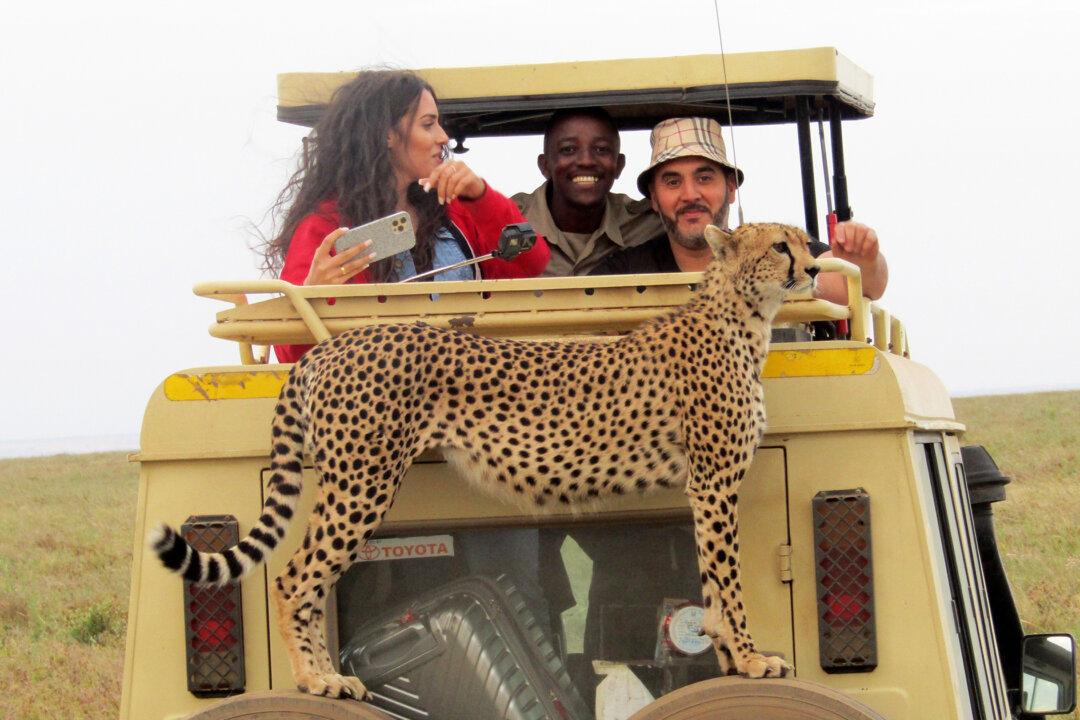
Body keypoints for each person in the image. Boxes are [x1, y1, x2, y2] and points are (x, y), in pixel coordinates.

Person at [263, 70, 550, 363]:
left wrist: (480, 195)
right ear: (387, 135)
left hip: (467, 393)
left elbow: (532, 261)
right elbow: (290, 355)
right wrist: (314, 296)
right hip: (381, 401)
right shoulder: (327, 226)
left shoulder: (456, 209)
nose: (443, 137)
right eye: (428, 125)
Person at [591, 116, 888, 306]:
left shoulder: (776, 253)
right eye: (672, 182)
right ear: (654, 198)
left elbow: (863, 285)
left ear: (731, 188)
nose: (690, 194)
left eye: (704, 178)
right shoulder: (623, 271)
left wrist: (865, 258)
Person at [513, 108, 664, 277]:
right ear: (545, 165)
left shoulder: (651, 223)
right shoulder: (504, 223)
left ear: (619, 165)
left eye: (601, 149)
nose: (586, 161)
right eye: (568, 149)